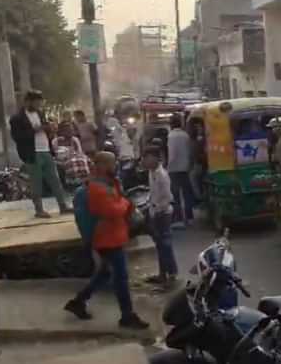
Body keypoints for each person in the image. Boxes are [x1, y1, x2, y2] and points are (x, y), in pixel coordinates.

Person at [63, 152, 149, 330]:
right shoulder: (96, 188)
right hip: (106, 239)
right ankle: (127, 316)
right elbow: (113, 210)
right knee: (121, 278)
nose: (115, 165)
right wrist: (125, 204)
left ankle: (78, 301)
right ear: (101, 165)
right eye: (111, 163)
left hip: (114, 236)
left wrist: (122, 203)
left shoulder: (109, 182)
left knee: (105, 273)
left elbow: (118, 202)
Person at [10, 90, 72, 218]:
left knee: (55, 180)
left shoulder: (40, 113)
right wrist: (35, 130)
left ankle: (63, 206)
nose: (39, 105)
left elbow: (44, 130)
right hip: (32, 153)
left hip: (45, 150)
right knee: (36, 182)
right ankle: (39, 209)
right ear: (28, 102)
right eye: (36, 102)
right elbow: (17, 137)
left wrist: (50, 130)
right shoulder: (17, 118)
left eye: (40, 103)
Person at [143, 146, 178, 285]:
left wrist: (157, 210)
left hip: (162, 213)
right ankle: (164, 273)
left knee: (164, 244)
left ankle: (170, 273)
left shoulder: (161, 175)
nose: (145, 161)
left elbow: (167, 197)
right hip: (156, 212)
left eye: (148, 158)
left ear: (157, 158)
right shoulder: (152, 173)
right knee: (161, 245)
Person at [167, 114, 197, 226]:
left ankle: (178, 218)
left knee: (175, 195)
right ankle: (190, 217)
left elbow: (172, 154)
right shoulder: (185, 135)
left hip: (174, 168)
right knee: (186, 193)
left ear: (171, 124)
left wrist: (168, 167)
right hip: (185, 167)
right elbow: (190, 152)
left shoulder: (171, 136)